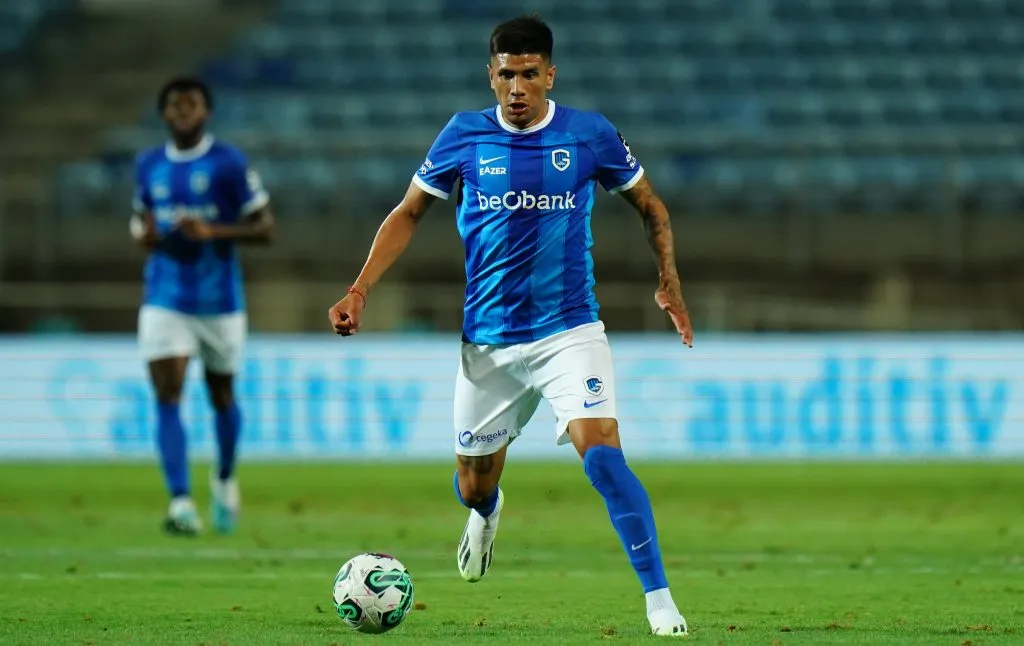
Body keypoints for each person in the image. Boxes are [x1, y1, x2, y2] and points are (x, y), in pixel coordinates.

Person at [327, 16, 692, 637]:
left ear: (550, 74)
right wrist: (359, 289)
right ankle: (486, 512)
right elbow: (409, 213)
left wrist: (670, 281)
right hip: (488, 343)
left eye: (529, 74)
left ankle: (660, 601)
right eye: (506, 75)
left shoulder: (588, 135)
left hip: (568, 332)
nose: (517, 87)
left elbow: (650, 204)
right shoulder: (463, 136)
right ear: (489, 76)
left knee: (602, 455)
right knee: (472, 483)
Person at [130, 76, 275, 536]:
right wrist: (144, 237)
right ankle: (180, 502)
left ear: (206, 112)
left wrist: (214, 233)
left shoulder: (228, 163)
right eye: (175, 105)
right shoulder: (148, 164)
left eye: (191, 104)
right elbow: (140, 223)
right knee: (167, 393)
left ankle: (226, 477)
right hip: (165, 297)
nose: (183, 111)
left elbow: (265, 227)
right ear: (164, 114)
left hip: (219, 301)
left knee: (221, 396)